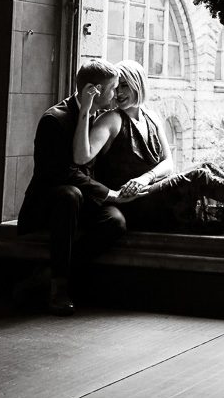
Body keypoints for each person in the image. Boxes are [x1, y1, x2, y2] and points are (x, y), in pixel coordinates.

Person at [73, 59, 224, 235]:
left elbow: (168, 164)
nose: (119, 93)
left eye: (125, 85)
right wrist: (86, 108)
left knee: (207, 169)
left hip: (151, 192)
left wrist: (146, 178)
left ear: (139, 85)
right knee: (198, 176)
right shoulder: (111, 119)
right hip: (133, 204)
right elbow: (82, 157)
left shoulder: (151, 116)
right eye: (117, 87)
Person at [16, 58, 135, 315]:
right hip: (52, 202)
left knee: (116, 222)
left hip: (84, 198)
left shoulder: (99, 117)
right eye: (113, 88)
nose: (116, 94)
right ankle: (59, 287)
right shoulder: (54, 119)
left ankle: (50, 272)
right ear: (94, 90)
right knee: (69, 194)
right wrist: (107, 193)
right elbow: (63, 172)